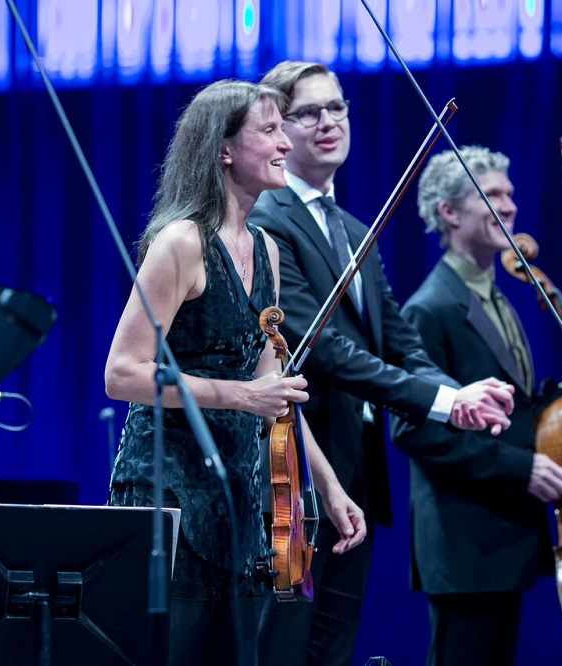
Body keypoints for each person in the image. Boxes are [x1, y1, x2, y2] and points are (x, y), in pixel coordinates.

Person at [248, 61, 517, 666]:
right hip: (299, 476)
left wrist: (457, 394)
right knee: (286, 649)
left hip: (359, 470)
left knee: (335, 648)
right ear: (279, 130)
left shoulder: (354, 227)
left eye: (337, 108)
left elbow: (398, 340)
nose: (328, 123)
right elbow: (326, 351)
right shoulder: (268, 222)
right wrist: (447, 402)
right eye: (308, 112)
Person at [104, 79, 368, 666]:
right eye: (270, 131)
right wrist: (239, 394)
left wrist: (327, 487)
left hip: (240, 502)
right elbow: (122, 373)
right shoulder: (180, 243)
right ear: (223, 150)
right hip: (168, 499)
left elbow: (274, 396)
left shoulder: (267, 249)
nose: (284, 145)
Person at [391, 144, 562, 665]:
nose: (510, 206)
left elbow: (511, 412)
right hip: (466, 541)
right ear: (449, 213)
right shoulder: (429, 308)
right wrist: (521, 468)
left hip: (503, 536)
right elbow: (412, 430)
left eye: (510, 194)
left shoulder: (496, 298)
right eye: (491, 195)